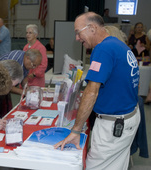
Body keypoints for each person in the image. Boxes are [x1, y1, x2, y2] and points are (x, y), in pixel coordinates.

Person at [54, 12, 140, 170]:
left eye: (78, 32)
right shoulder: (118, 45)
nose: (77, 38)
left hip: (114, 125)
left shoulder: (103, 50)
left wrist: (76, 130)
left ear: (92, 28)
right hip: (128, 117)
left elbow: (91, 91)